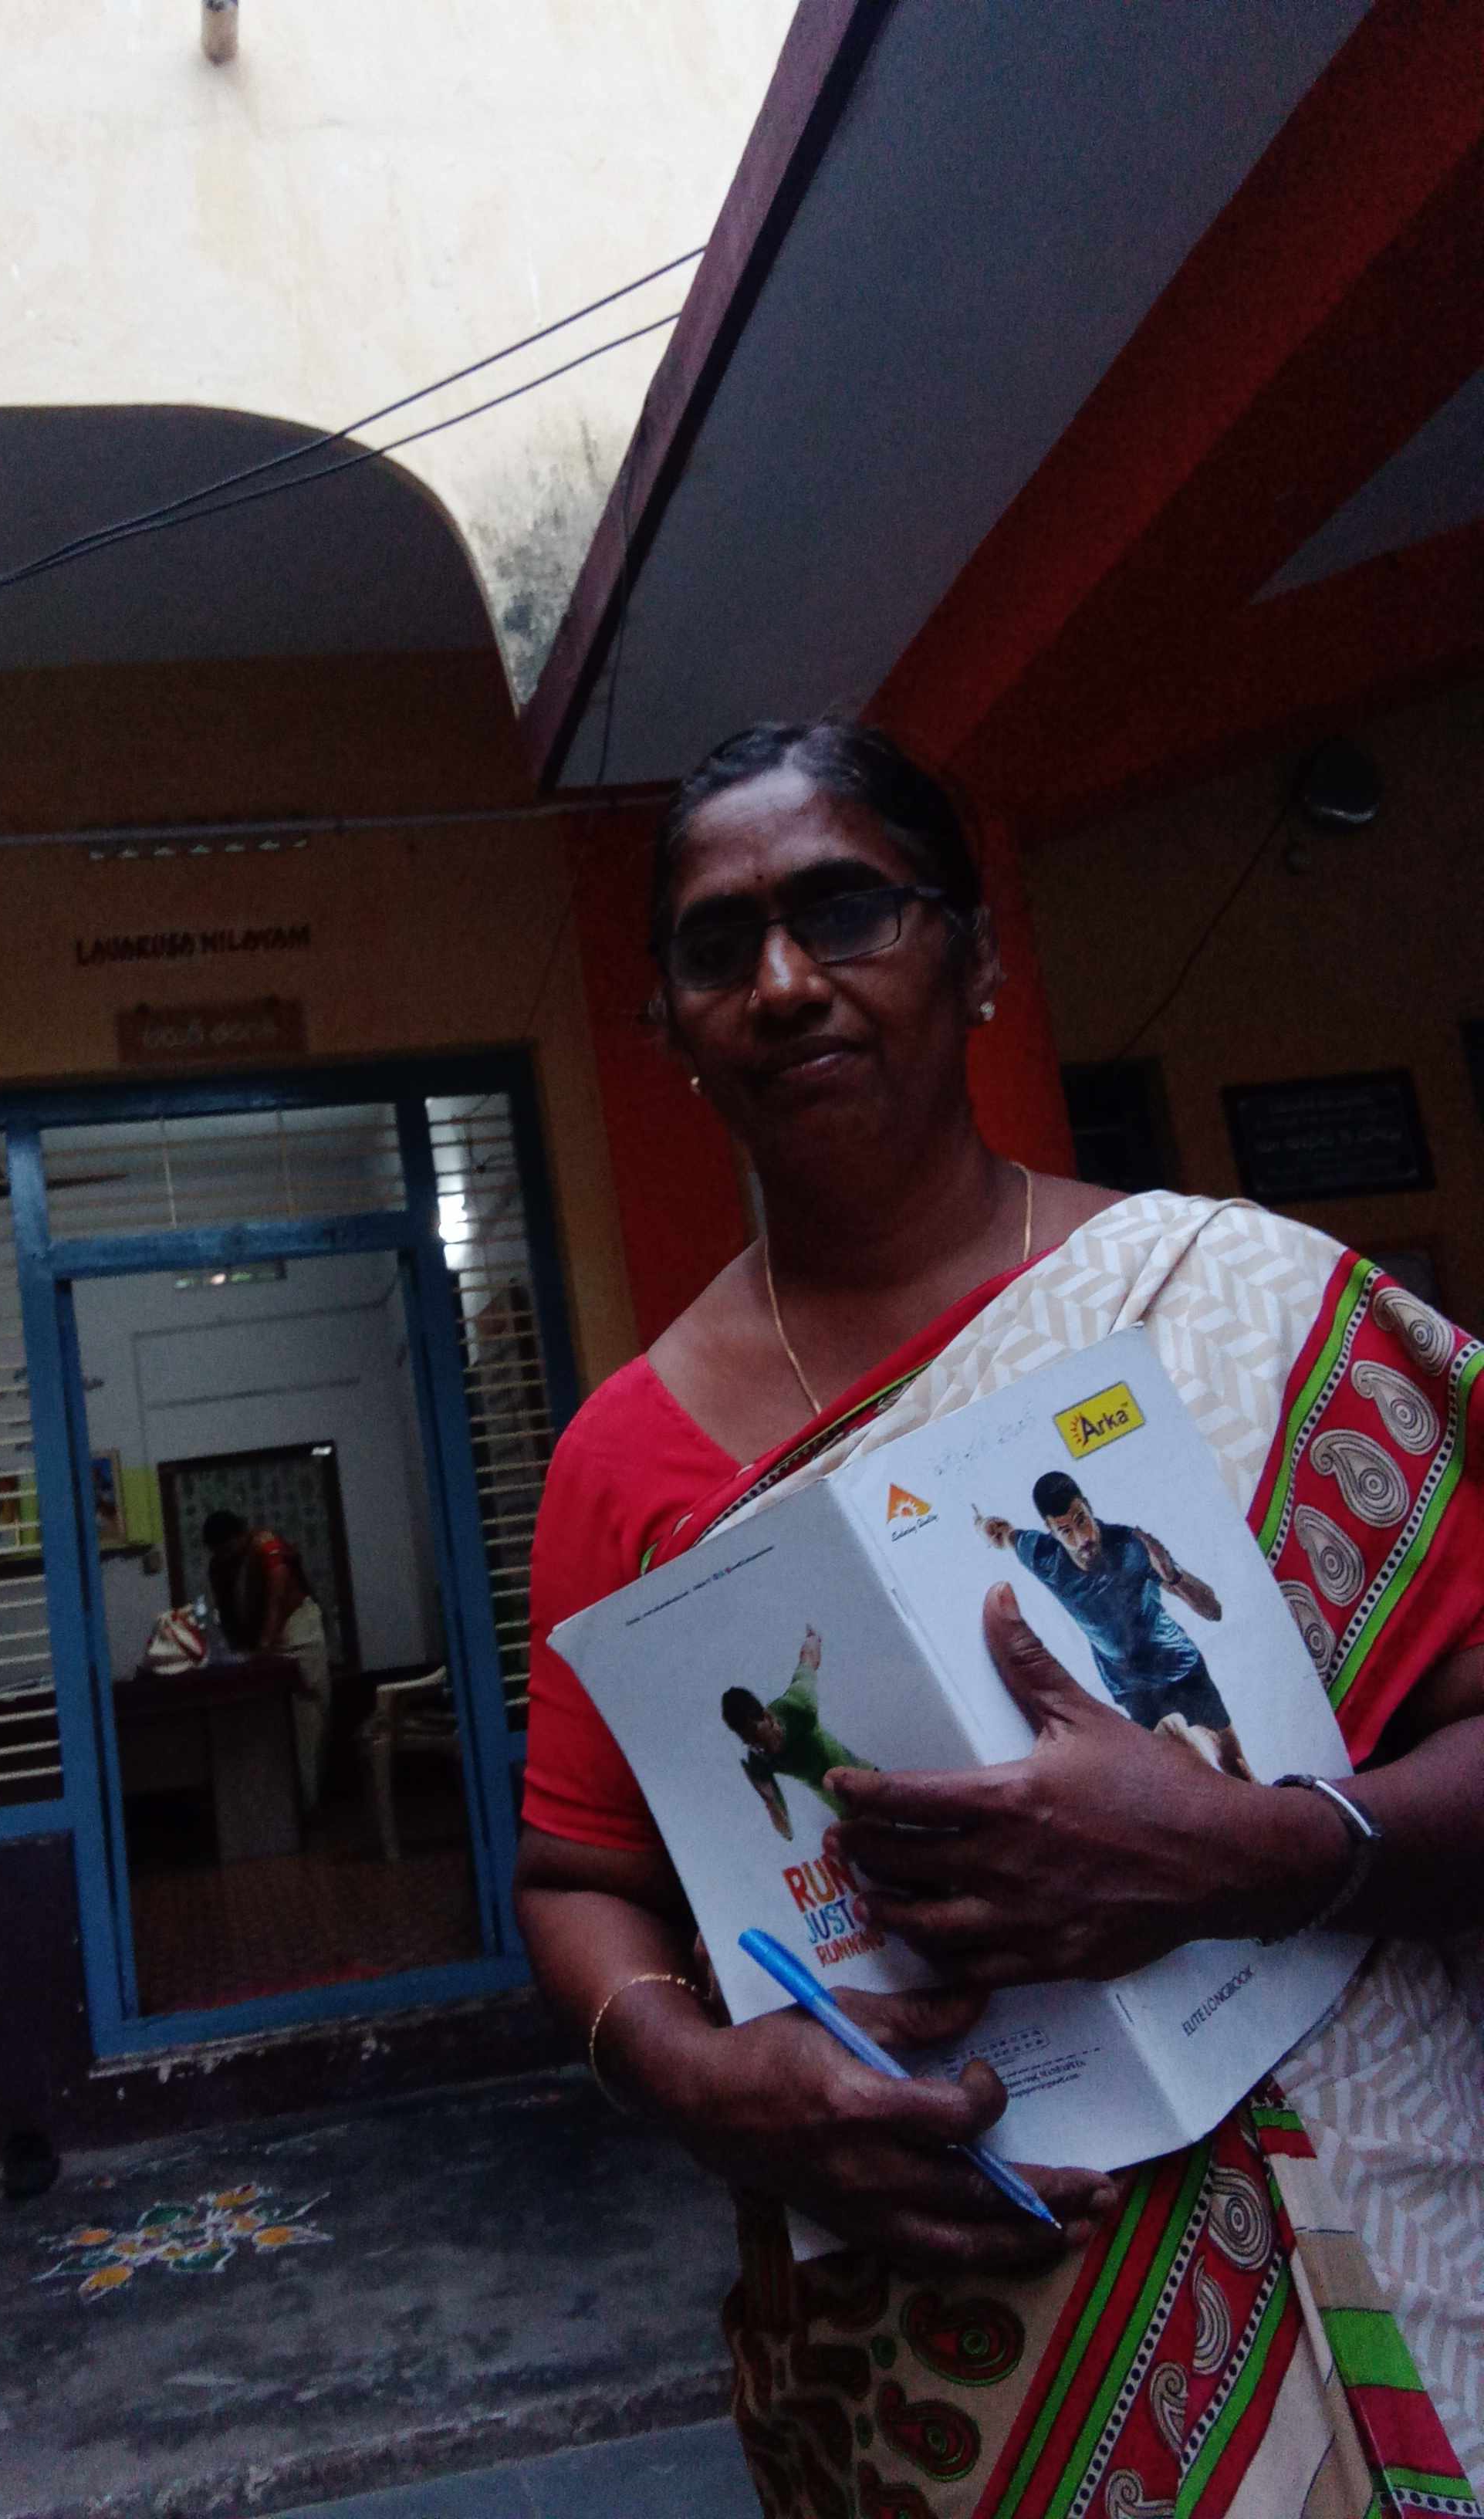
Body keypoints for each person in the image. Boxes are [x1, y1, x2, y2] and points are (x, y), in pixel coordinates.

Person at [514, 719, 1484, 2515]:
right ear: (671, 1030)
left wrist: (1268, 1850)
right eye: (718, 948)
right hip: (950, 2368)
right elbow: (580, 1876)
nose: (782, 982)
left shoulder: (1240, 1303)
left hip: (1383, 2241)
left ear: (974, 960)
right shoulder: (620, 1458)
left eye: (843, 910)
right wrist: (695, 2078)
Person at [975, 1475, 1252, 1777]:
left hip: (1181, 1666)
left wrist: (1174, 1577)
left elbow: (1213, 1611)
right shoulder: (1042, 1556)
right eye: (1066, 1531)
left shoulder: (1133, 1546)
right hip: (1131, 1686)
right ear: (1051, 1532)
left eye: (1082, 1521)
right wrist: (983, 1524)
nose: (1082, 1538)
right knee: (1192, 1774)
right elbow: (1004, 1534)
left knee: (1234, 1765)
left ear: (1089, 1508)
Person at [203, 1508, 332, 1811]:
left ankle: (307, 1806)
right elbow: (228, 1612)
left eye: (227, 1549)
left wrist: (265, 1643)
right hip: (258, 1645)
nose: (224, 1556)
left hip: (296, 1635)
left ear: (241, 1536)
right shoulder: (221, 1565)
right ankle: (275, 1808)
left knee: (307, 1724)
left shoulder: (266, 1547)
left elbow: (276, 1596)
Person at [722, 1627, 871, 1840]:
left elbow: (808, 1663)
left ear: (767, 1717)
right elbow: (787, 1832)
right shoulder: (759, 1761)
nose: (757, 1746)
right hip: (849, 1814)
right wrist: (769, 1802)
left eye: (756, 1735)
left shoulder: (798, 1705)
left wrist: (813, 1638)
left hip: (868, 1781)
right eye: (747, 1741)